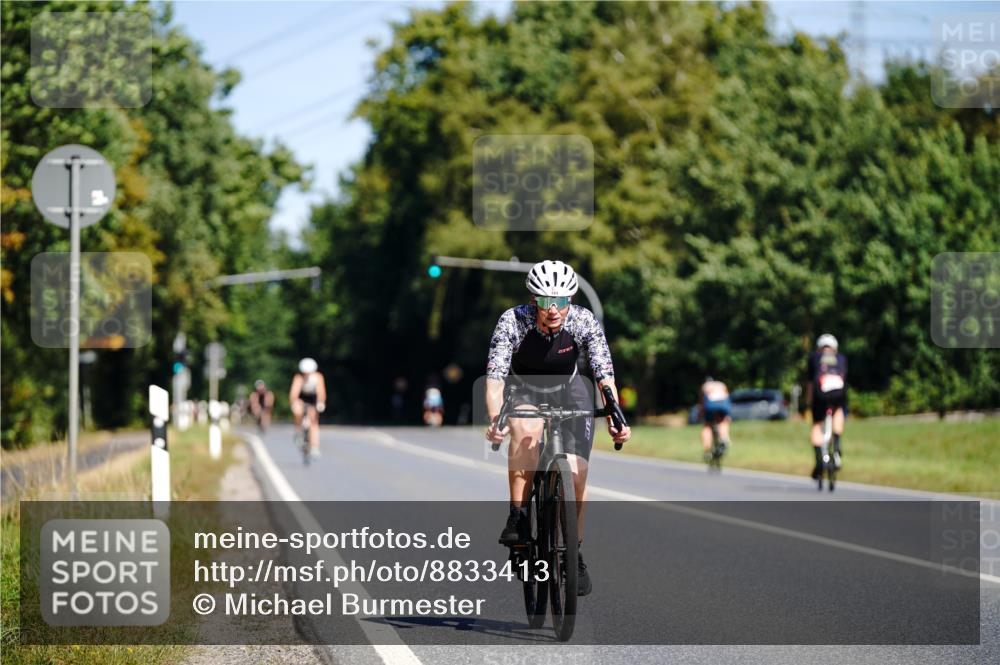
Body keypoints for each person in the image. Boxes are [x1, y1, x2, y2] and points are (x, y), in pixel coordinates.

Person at [484, 260, 631, 597]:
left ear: (571, 300)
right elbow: (495, 377)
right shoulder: (513, 321)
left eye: (561, 302)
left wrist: (615, 416)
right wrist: (495, 419)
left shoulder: (582, 320)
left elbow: (604, 373)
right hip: (524, 389)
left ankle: (574, 554)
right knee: (527, 434)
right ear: (534, 299)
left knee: (578, 474)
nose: (554, 310)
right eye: (547, 302)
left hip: (569, 387)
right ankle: (519, 517)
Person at [806, 334, 847, 477]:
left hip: (820, 395)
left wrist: (809, 403)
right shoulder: (841, 358)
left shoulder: (814, 358)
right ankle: (836, 448)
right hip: (838, 395)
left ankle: (819, 461)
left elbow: (811, 383)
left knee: (817, 425)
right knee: (838, 412)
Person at [290, 358, 326, 460]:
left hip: (313, 400)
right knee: (297, 410)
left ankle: (314, 447)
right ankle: (298, 431)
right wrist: (294, 402)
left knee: (313, 423)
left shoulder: (318, 377)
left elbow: (321, 391)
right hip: (302, 398)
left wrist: (321, 403)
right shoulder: (298, 378)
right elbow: (294, 392)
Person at [699, 376, 731, 461]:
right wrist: (727, 416)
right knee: (722, 422)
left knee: (707, 426)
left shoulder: (705, 386)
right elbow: (727, 397)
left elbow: (702, 403)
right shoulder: (721, 384)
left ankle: (707, 451)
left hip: (710, 405)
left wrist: (700, 415)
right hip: (723, 404)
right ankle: (724, 439)